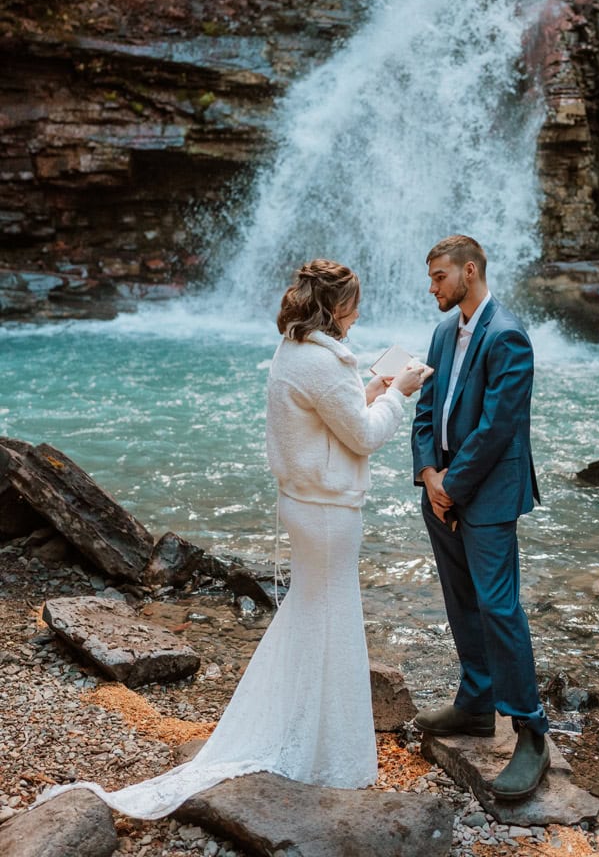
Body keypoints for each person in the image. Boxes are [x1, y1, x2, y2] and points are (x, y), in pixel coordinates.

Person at [37, 258, 426, 818]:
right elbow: (362, 437)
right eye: (354, 303)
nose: (359, 313)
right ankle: (325, 753)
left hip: (306, 506)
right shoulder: (324, 361)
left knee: (313, 614)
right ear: (336, 308)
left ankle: (306, 734)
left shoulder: (297, 352)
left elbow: (333, 417)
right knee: (332, 616)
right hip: (327, 509)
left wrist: (371, 385)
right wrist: (402, 392)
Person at [411, 235, 550, 801]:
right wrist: (428, 476)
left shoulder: (509, 336)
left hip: (486, 496)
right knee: (459, 597)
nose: (432, 287)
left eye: (440, 276)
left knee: (498, 606)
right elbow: (425, 409)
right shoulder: (445, 332)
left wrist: (453, 486)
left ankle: (530, 729)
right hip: (441, 491)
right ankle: (475, 702)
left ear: (470, 271)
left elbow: (498, 429)